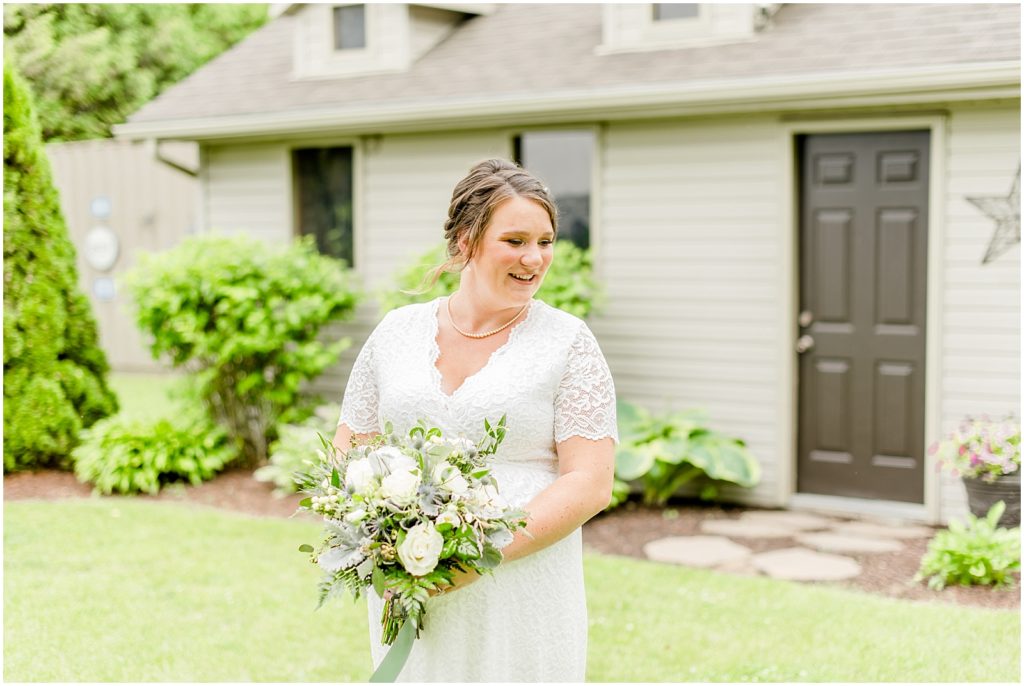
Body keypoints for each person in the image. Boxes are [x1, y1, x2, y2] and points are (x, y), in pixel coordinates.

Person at [333, 158, 617, 682]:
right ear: (465, 242)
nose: (535, 258)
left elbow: (590, 482)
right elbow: (351, 453)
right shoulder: (396, 333)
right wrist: (381, 541)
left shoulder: (568, 343)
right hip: (413, 586)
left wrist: (479, 556)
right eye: (514, 241)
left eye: (546, 241)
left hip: (521, 588)